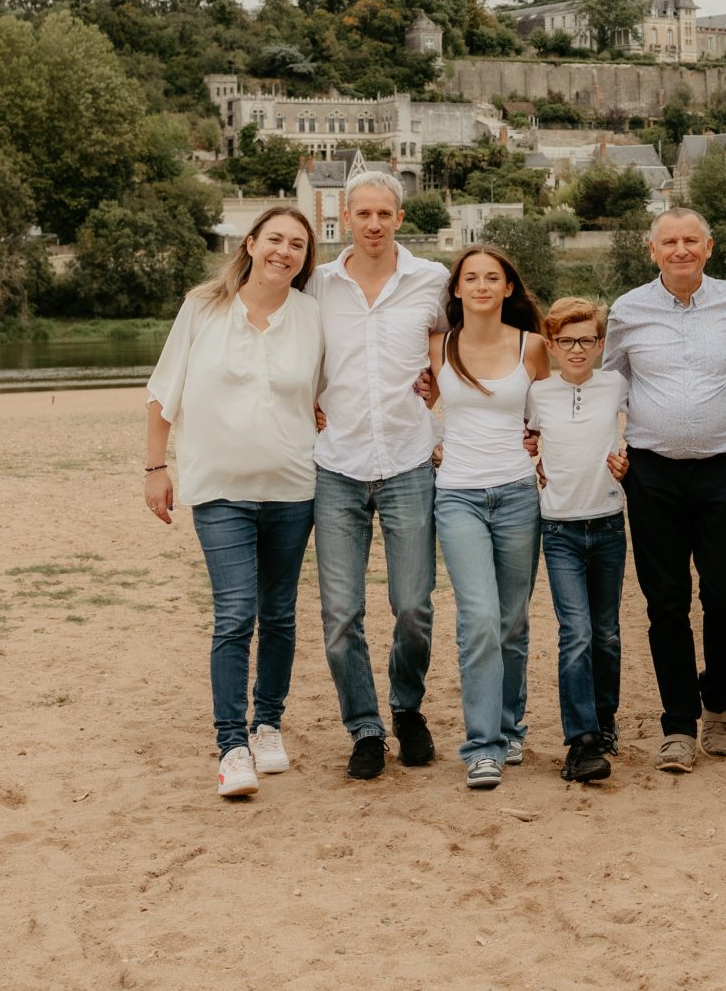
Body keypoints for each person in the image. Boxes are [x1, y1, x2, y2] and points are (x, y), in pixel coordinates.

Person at [141, 204, 323, 799]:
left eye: (297, 244)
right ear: (250, 243)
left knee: (280, 614)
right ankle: (231, 746)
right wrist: (154, 468)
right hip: (218, 489)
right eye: (275, 239)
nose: (285, 251)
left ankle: (267, 725)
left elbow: (332, 395)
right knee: (235, 613)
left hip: (293, 489)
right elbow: (162, 392)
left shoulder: (312, 317)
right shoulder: (203, 308)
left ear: (305, 258)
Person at [602, 208, 726, 774]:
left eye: (690, 240)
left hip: (723, 468)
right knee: (665, 603)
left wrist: (719, 414)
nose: (680, 250)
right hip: (652, 473)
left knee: (725, 599)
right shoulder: (628, 310)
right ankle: (678, 724)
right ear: (653, 250)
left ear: (709, 246)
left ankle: (718, 701)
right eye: (669, 242)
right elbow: (610, 382)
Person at [309, 170, 448, 781]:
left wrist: (441, 384)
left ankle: (407, 707)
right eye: (361, 213)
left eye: (383, 214)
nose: (372, 224)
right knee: (341, 615)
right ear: (345, 215)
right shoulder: (317, 285)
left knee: (414, 606)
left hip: (409, 460)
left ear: (399, 217)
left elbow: (456, 349)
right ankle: (365, 726)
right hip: (336, 464)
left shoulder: (432, 281)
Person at [432, 243, 550, 791]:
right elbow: (399, 400)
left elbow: (550, 415)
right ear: (456, 289)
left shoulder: (533, 347)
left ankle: (510, 726)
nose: (481, 286)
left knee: (512, 622)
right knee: (478, 618)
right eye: (471, 278)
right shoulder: (438, 347)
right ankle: (482, 746)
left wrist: (545, 445)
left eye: (492, 277)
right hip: (456, 495)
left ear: (508, 288)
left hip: (518, 495)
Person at [528, 296, 630, 785]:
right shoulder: (538, 392)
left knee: (606, 632)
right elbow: (522, 438)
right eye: (566, 340)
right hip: (560, 527)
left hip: (608, 522)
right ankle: (582, 738)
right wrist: (534, 458)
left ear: (600, 344)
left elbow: (641, 430)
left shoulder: (615, 384)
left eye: (586, 340)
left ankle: (604, 718)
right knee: (577, 633)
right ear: (551, 344)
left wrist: (626, 458)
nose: (576, 349)